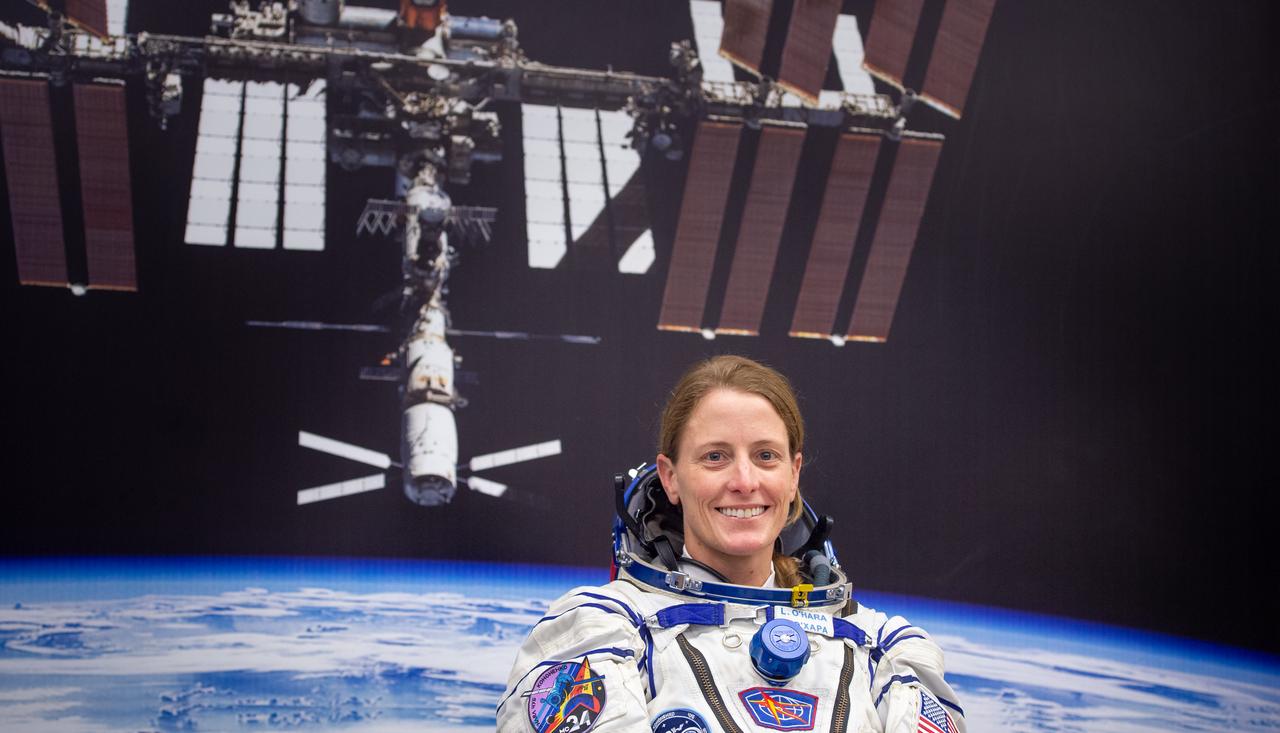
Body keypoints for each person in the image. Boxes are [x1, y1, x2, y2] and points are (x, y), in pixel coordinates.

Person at [497, 355, 965, 732]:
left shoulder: (885, 649)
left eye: (765, 456)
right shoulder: (599, 629)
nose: (744, 481)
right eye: (715, 457)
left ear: (793, 474)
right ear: (671, 478)